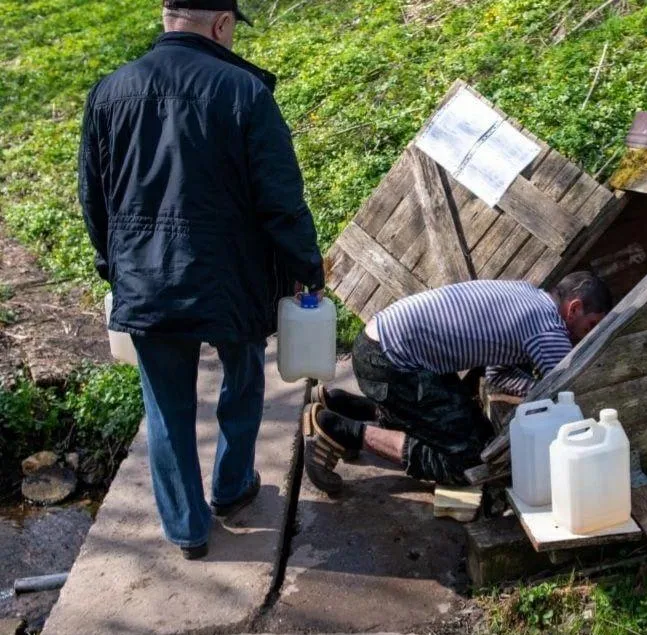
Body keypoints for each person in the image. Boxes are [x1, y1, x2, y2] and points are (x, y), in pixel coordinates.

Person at [79, 0, 324, 560]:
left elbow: (94, 199)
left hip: (144, 277)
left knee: (167, 406)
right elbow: (281, 201)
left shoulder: (108, 92)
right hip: (232, 278)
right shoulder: (245, 93)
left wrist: (112, 267)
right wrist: (305, 270)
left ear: (168, 20)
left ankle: (188, 529)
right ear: (221, 25)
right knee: (243, 376)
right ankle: (233, 486)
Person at [301, 273, 612, 494]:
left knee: (467, 424)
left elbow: (499, 376)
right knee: (472, 459)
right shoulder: (549, 328)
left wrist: (533, 388)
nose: (587, 336)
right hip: (390, 364)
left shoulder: (528, 297)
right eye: (591, 325)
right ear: (574, 309)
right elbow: (574, 393)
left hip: (381, 348)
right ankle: (339, 431)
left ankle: (347, 405)